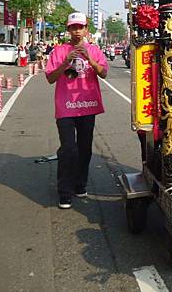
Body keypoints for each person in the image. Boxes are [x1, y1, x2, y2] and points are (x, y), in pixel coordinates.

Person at [46, 12, 108, 209]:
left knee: (85, 149)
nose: (77, 31)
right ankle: (64, 191)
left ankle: (80, 184)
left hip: (87, 106)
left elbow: (104, 73)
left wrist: (90, 58)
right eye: (73, 27)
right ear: (68, 30)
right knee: (68, 149)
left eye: (80, 27)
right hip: (66, 107)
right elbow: (50, 78)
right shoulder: (59, 51)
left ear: (86, 29)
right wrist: (66, 61)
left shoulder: (94, 50)